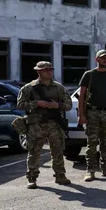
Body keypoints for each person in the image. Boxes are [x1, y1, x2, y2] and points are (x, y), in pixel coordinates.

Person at [16, 61, 72, 189]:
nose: (50, 72)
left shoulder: (59, 88)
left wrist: (57, 106)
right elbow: (20, 104)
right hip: (36, 125)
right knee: (34, 151)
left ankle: (60, 175)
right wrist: (37, 103)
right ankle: (32, 178)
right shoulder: (29, 88)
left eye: (51, 69)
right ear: (39, 72)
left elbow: (68, 105)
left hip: (55, 124)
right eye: (47, 70)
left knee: (58, 150)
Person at [78, 50, 106, 181]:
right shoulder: (89, 75)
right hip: (92, 113)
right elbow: (82, 96)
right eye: (103, 58)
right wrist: (81, 115)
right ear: (97, 60)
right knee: (91, 143)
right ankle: (90, 170)